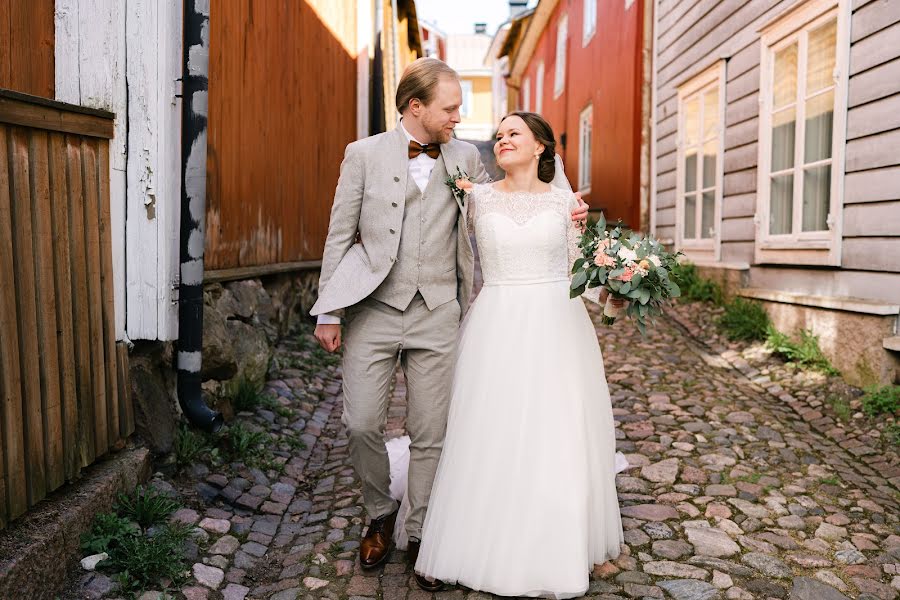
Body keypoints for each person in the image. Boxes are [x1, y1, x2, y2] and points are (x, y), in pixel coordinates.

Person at [310, 59, 589, 590]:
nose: (460, 118)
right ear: (416, 107)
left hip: (439, 311)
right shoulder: (362, 155)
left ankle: (422, 534)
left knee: (431, 431)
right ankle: (378, 512)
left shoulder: (466, 159)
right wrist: (329, 309)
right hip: (373, 309)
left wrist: (564, 209)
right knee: (362, 421)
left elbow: (517, 195)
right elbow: (339, 233)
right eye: (451, 107)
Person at [407, 111, 625, 598]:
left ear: (542, 147)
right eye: (499, 135)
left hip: (558, 323)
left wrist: (615, 293)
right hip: (497, 321)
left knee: (556, 428)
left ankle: (555, 538)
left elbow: (578, 274)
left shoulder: (567, 205)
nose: (502, 140)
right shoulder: (476, 198)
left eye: (514, 134)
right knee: (490, 427)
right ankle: (469, 536)